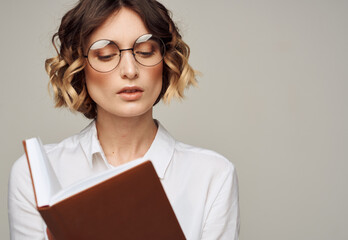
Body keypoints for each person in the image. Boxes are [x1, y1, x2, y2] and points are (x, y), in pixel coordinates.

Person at [8, 0, 240, 239]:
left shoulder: (213, 175)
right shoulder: (33, 176)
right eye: (106, 55)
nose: (130, 70)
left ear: (165, 60)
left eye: (145, 51)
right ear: (80, 67)